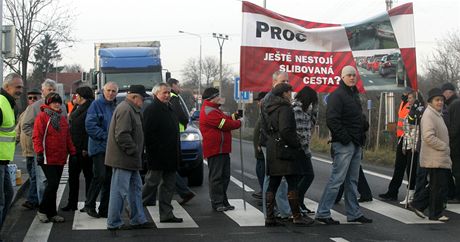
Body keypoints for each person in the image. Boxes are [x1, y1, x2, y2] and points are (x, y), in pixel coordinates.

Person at [315, 65, 372, 225]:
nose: (352, 77)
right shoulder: (337, 95)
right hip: (344, 144)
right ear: (342, 77)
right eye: (349, 75)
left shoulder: (354, 95)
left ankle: (353, 213)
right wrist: (345, 138)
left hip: (356, 142)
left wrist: (364, 125)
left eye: (354, 75)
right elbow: (332, 119)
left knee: (352, 181)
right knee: (337, 180)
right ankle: (323, 212)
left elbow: (355, 116)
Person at [263, 83, 314, 226]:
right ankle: (297, 217)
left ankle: (270, 217)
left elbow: (267, 128)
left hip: (273, 147)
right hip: (285, 150)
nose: (291, 94)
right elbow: (286, 130)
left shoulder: (270, 108)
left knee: (273, 183)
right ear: (284, 93)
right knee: (293, 183)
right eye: (289, 92)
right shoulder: (285, 108)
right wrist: (296, 144)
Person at [105, 85, 154, 230]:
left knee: (135, 189)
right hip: (124, 159)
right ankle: (113, 222)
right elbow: (122, 135)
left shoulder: (131, 109)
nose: (143, 101)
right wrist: (134, 150)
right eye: (142, 98)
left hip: (130, 159)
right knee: (119, 191)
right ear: (134, 97)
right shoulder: (126, 110)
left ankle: (138, 219)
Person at [32, 93, 76, 223]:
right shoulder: (42, 117)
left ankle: (52, 213)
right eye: (54, 102)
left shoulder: (62, 119)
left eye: (58, 102)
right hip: (47, 157)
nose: (57, 104)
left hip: (60, 157)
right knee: (51, 184)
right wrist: (39, 152)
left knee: (55, 186)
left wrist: (72, 152)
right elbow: (37, 136)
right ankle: (42, 210)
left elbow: (67, 137)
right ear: (48, 103)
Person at [142, 83, 183, 223]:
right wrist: (154, 152)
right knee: (151, 184)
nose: (167, 95)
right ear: (156, 94)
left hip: (171, 155)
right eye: (164, 93)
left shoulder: (169, 107)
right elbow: (147, 134)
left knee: (168, 187)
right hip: (158, 156)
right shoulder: (152, 109)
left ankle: (166, 214)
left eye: (168, 93)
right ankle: (133, 208)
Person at [410, 88, 451, 221]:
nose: (440, 102)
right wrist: (443, 146)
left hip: (438, 156)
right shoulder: (429, 115)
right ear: (430, 102)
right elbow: (428, 136)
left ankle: (419, 204)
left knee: (437, 185)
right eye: (437, 100)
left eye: (441, 100)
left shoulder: (436, 114)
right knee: (438, 186)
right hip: (435, 156)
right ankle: (434, 213)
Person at [22, 79, 65, 204]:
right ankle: (43, 206)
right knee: (43, 180)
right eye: (49, 90)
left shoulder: (61, 106)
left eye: (53, 90)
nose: (51, 92)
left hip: (57, 151)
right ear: (43, 92)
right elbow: (26, 125)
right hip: (42, 150)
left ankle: (51, 207)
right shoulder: (35, 107)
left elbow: (65, 126)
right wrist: (39, 138)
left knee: (54, 181)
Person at [199, 87, 241, 212]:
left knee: (224, 176)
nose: (220, 98)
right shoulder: (209, 111)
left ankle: (223, 201)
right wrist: (239, 123)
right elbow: (223, 124)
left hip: (222, 149)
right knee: (216, 177)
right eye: (218, 96)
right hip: (215, 149)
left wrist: (234, 116)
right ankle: (217, 203)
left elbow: (225, 119)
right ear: (212, 98)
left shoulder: (215, 110)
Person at [82, 82, 118, 218]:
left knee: (109, 179)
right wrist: (107, 137)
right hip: (98, 148)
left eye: (113, 91)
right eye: (108, 90)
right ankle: (89, 205)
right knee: (100, 176)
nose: (110, 93)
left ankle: (104, 209)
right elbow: (90, 126)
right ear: (103, 91)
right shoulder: (96, 105)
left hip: (111, 149)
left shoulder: (114, 106)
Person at [260, 71, 292, 220]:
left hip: (281, 142)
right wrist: (275, 140)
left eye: (287, 80)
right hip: (273, 143)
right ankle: (271, 213)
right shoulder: (269, 99)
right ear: (274, 83)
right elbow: (266, 125)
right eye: (282, 81)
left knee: (282, 179)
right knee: (272, 178)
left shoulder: (283, 99)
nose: (285, 83)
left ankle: (283, 211)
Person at [379, 89, 417, 202]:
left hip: (411, 140)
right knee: (399, 166)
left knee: (411, 168)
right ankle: (392, 192)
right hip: (401, 139)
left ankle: (412, 193)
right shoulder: (403, 102)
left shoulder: (415, 105)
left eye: (409, 95)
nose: (404, 93)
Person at [61, 86, 94, 211]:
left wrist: (86, 147)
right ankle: (72, 203)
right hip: (75, 148)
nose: (75, 98)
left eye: (77, 96)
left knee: (88, 177)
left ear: (82, 96)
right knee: (73, 177)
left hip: (84, 149)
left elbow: (88, 130)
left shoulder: (90, 108)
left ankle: (88, 203)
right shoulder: (78, 107)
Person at [166, 78, 195, 205]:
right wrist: (185, 121)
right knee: (166, 169)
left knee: (165, 169)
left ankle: (184, 191)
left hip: (172, 134)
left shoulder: (170, 97)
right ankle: (184, 191)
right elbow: (181, 115)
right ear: (172, 86)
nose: (180, 88)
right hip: (174, 133)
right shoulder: (173, 97)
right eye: (178, 85)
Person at [0, 73, 23, 230]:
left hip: (4, 161)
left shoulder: (8, 103)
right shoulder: (2, 103)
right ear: (7, 87)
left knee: (8, 195)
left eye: (21, 87)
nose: (20, 90)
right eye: (18, 87)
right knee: (1, 200)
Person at [292, 86, 318, 215]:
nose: (313, 105)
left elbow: (311, 126)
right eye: (313, 102)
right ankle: (297, 202)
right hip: (299, 149)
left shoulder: (305, 110)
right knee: (308, 175)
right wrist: (305, 149)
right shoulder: (297, 109)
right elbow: (299, 131)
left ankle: (299, 202)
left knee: (302, 176)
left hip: (303, 148)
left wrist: (314, 112)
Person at [15, 88, 41, 210]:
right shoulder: (23, 114)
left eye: (35, 98)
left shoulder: (40, 112)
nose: (32, 100)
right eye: (30, 98)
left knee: (36, 177)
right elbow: (18, 131)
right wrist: (13, 143)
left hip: (36, 150)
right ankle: (34, 198)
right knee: (32, 176)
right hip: (27, 152)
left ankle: (32, 200)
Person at [252, 92, 267, 200]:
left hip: (262, 148)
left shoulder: (267, 111)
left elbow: (264, 129)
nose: (258, 103)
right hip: (259, 149)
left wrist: (260, 143)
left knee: (263, 171)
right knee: (260, 170)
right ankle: (264, 191)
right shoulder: (263, 111)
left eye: (259, 100)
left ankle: (265, 193)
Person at [447, 84, 460, 203]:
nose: (444, 95)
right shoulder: (452, 104)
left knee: (457, 170)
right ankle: (453, 193)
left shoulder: (455, 104)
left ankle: (458, 196)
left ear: (450, 92)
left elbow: (455, 126)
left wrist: (449, 140)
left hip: (456, 144)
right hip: (454, 143)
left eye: (445, 92)